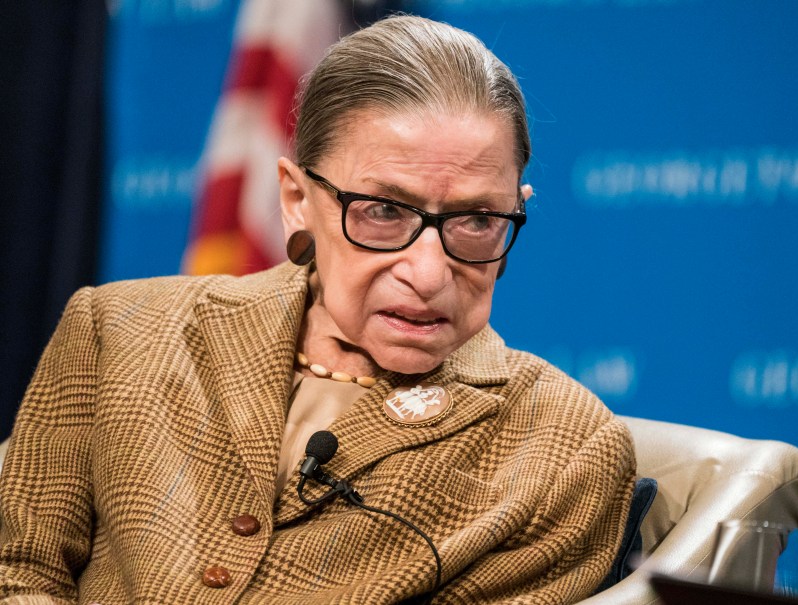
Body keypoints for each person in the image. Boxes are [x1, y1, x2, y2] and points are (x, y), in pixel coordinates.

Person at [0, 15, 636, 605]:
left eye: (476, 220)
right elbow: (17, 570)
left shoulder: (563, 455)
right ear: (297, 198)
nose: (429, 273)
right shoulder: (121, 331)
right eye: (384, 211)